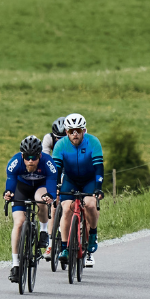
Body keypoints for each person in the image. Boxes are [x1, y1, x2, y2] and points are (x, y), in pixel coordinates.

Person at [47, 112, 104, 268]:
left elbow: (99, 168)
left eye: (78, 131)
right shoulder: (60, 145)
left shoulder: (93, 142)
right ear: (66, 132)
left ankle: (93, 233)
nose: (75, 134)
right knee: (66, 208)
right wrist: (55, 188)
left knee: (90, 205)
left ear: (84, 131)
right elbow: (56, 169)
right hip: (70, 180)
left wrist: (98, 188)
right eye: (71, 131)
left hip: (89, 180)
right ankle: (64, 247)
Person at [3, 136, 56, 286]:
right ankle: (15, 265)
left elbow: (52, 182)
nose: (30, 161)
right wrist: (8, 193)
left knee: (41, 200)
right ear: (22, 156)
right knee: (19, 223)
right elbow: (11, 181)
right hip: (22, 188)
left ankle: (44, 231)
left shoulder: (48, 162)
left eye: (34, 157)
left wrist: (50, 195)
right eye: (27, 157)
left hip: (41, 187)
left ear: (40, 155)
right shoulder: (15, 162)